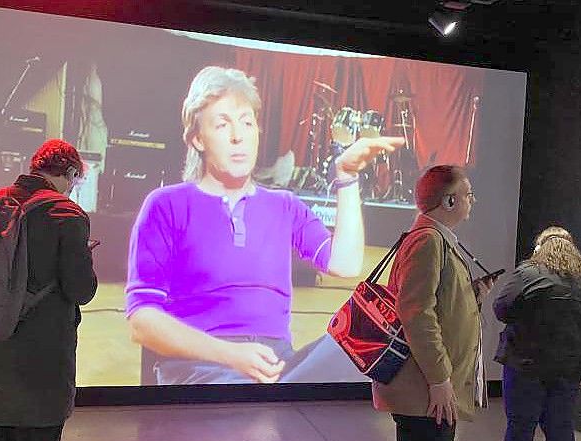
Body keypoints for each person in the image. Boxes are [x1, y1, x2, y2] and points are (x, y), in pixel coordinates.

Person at [125, 66, 406, 385]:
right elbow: (142, 322)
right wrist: (231, 355)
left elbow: (346, 263)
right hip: (199, 368)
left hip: (276, 367)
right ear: (197, 139)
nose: (238, 136)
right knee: (269, 409)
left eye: (247, 122)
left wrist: (347, 176)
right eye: (222, 124)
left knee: (369, 352)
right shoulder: (166, 205)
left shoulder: (283, 205)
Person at [0, 139, 98, 441]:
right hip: (42, 358)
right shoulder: (67, 214)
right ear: (69, 172)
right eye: (76, 179)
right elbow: (81, 290)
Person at [371, 165, 493, 441]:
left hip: (427, 391)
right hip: (425, 392)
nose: (472, 200)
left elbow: (435, 304)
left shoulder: (434, 239)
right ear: (449, 201)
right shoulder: (428, 240)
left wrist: (472, 296)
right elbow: (417, 314)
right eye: (468, 194)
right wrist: (439, 380)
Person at [493, 226, 581, 441]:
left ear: (539, 247)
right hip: (569, 370)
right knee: (561, 428)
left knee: (520, 428)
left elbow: (501, 309)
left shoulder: (528, 272)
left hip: (524, 368)